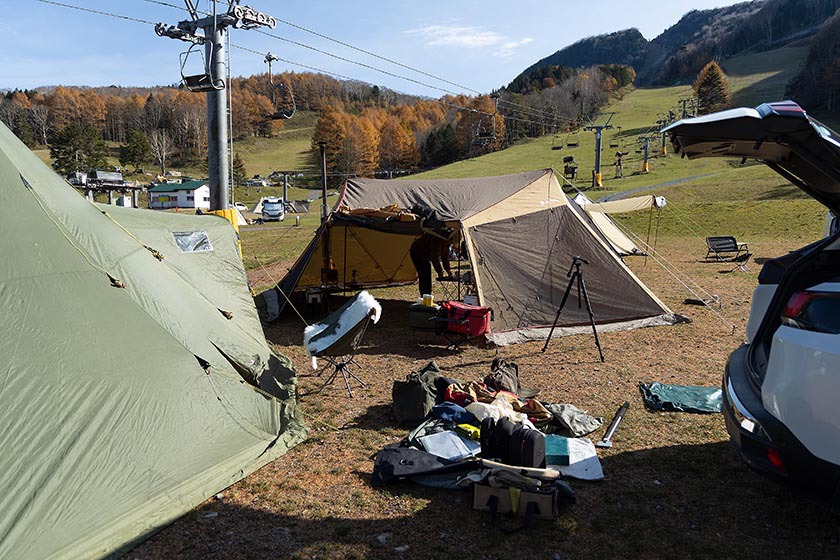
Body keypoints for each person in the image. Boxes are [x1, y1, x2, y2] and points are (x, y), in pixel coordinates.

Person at [410, 231, 453, 296]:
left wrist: (448, 270)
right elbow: (434, 257)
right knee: (424, 274)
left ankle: (428, 294)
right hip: (417, 252)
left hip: (426, 255)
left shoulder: (447, 242)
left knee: (427, 273)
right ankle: (424, 294)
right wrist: (439, 271)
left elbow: (445, 257)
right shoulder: (437, 239)